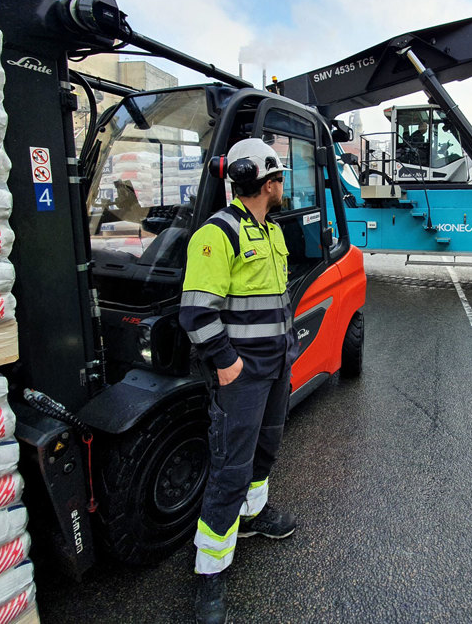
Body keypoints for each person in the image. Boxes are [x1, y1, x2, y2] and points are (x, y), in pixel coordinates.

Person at [179, 138, 300, 624]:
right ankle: (209, 572)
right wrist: (226, 362)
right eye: (279, 179)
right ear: (264, 182)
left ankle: (252, 517)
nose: (282, 186)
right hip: (243, 373)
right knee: (230, 466)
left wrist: (287, 349)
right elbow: (194, 312)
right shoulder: (217, 234)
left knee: (265, 449)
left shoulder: (269, 231)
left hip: (275, 367)